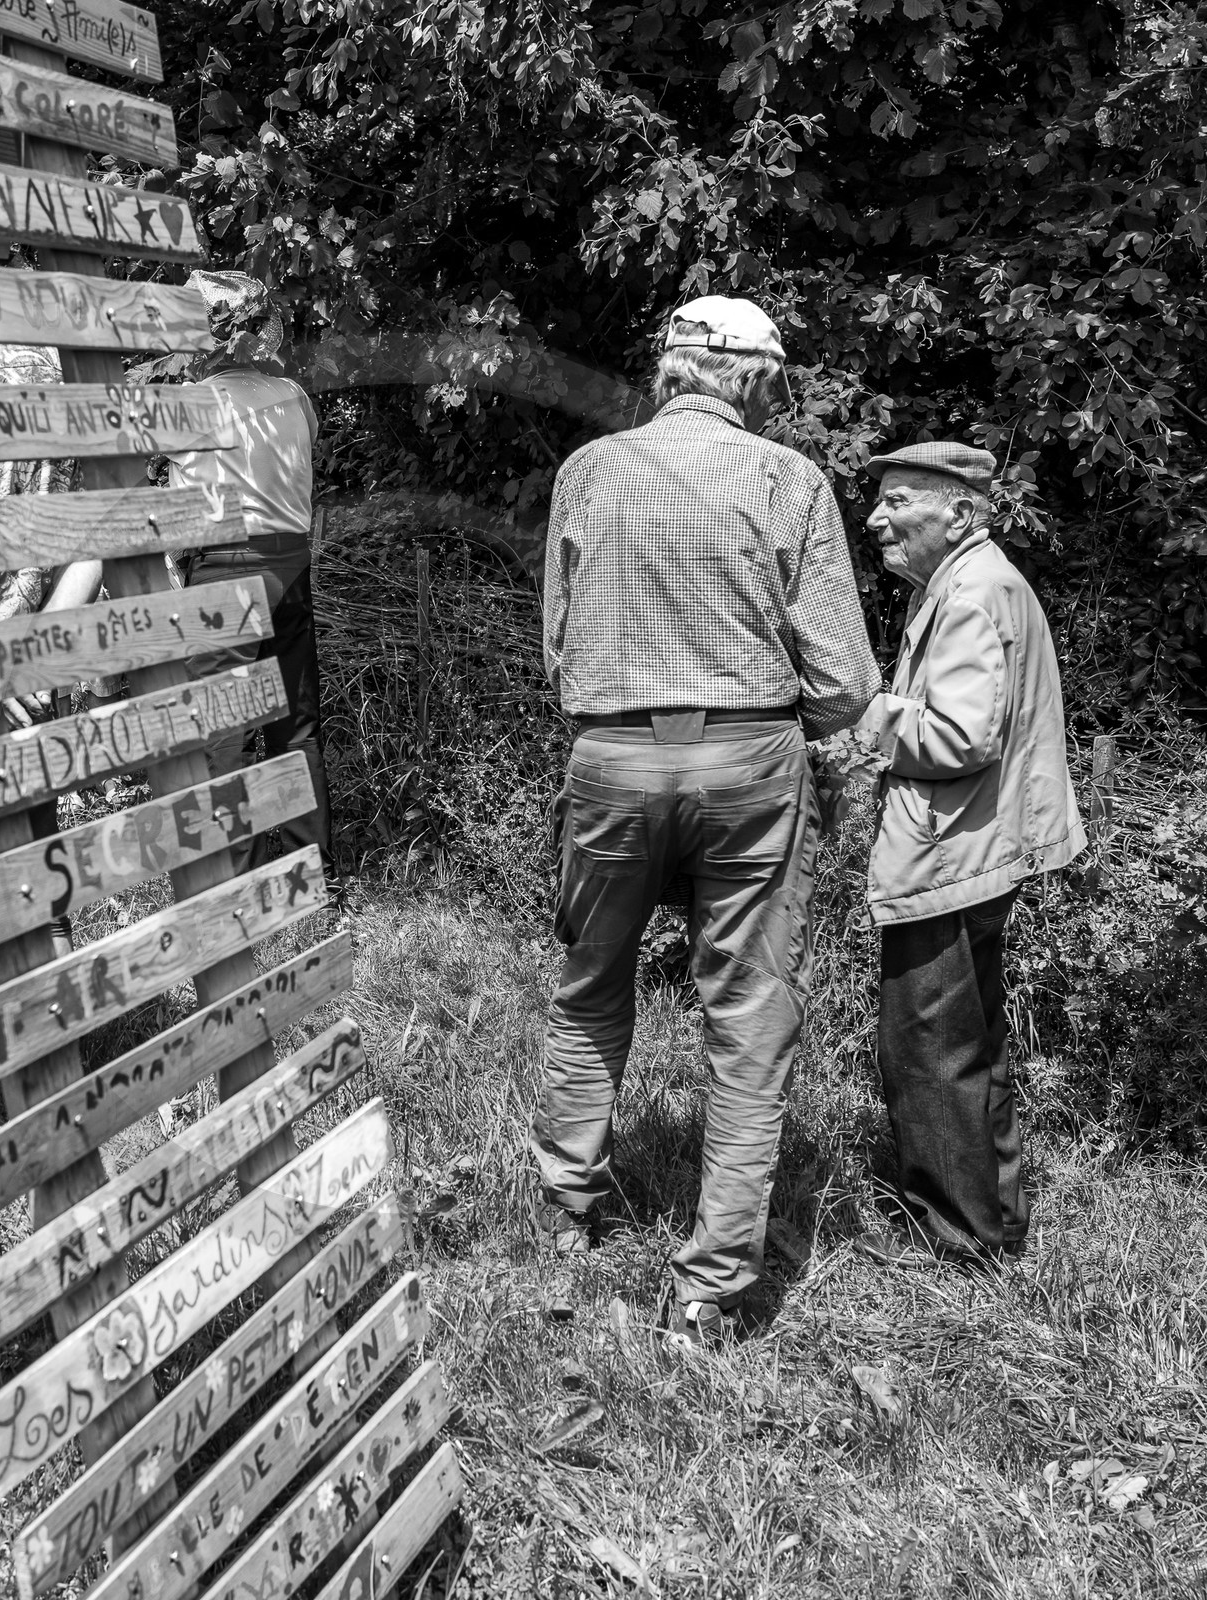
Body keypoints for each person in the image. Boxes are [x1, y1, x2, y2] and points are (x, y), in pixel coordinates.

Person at [533, 295, 880, 1348]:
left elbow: (558, 649)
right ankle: (711, 1285)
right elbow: (842, 679)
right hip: (747, 760)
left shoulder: (586, 473)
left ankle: (566, 1207)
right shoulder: (788, 481)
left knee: (590, 983)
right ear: (755, 381)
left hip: (613, 755)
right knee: (746, 1012)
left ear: (671, 370)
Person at [853, 443, 1085, 1266]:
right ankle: (997, 1219)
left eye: (901, 501)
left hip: (953, 853)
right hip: (978, 843)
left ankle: (954, 1242)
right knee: (971, 1039)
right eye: (879, 501)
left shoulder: (971, 593)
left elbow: (958, 735)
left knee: (926, 1049)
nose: (879, 517)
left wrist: (867, 720)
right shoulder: (969, 582)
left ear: (959, 514)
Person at [168, 270, 335, 886]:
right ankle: (310, 872)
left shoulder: (192, 404)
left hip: (222, 568)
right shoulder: (293, 395)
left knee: (223, 731)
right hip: (291, 564)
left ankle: (226, 878)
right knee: (296, 724)